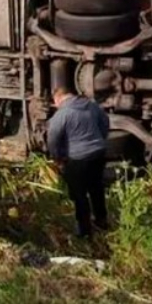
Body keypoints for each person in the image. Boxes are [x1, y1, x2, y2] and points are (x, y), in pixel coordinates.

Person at [46, 87, 109, 238]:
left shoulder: (62, 114)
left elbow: (52, 139)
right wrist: (99, 139)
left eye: (55, 102)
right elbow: (105, 122)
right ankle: (102, 220)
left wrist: (58, 157)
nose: (56, 105)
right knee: (96, 188)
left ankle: (84, 229)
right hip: (98, 153)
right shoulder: (92, 106)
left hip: (77, 158)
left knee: (79, 194)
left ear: (59, 98)